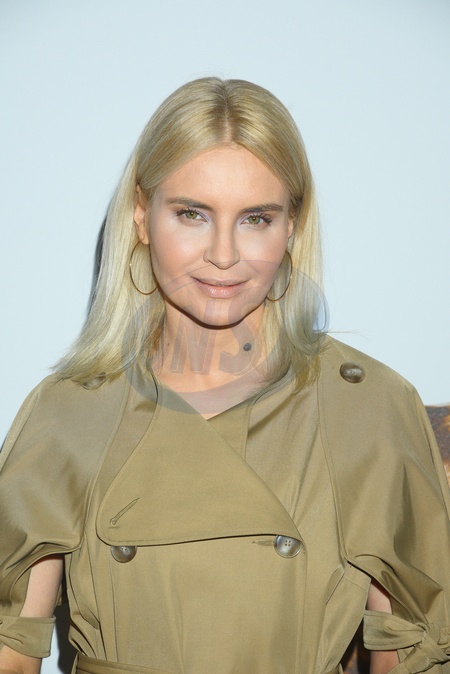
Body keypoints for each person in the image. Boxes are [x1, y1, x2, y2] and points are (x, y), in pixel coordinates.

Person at [0, 77, 449, 674]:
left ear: (292, 226)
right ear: (141, 215)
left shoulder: (368, 408)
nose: (223, 254)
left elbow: (412, 655)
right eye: (192, 214)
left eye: (255, 219)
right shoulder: (69, 412)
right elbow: (10, 653)